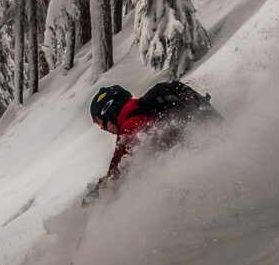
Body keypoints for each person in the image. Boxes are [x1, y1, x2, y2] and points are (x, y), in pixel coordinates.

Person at [84, 82, 219, 205]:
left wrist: (96, 195)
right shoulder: (147, 109)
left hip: (194, 176)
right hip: (207, 153)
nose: (104, 129)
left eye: (100, 123)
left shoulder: (129, 127)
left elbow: (116, 174)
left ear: (109, 111)